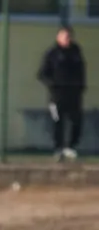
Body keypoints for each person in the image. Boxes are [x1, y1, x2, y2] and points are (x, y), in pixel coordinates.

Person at [37, 25, 86, 162]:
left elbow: (81, 70)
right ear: (58, 37)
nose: (67, 39)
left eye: (69, 37)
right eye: (64, 37)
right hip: (57, 96)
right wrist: (53, 85)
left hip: (73, 95)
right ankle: (58, 148)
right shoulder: (52, 54)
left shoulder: (76, 52)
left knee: (76, 120)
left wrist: (81, 86)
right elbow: (42, 74)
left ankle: (71, 147)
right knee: (57, 121)